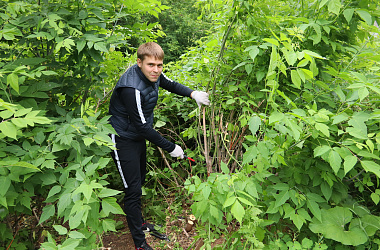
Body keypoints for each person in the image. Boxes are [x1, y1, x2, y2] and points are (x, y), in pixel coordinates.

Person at [108, 42, 210, 250]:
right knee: (133, 190)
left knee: (140, 179)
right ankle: (139, 243)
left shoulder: (154, 76)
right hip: (122, 138)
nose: (156, 70)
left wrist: (193, 94)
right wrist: (171, 147)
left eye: (160, 65)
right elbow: (143, 127)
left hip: (136, 136)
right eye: (151, 65)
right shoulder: (131, 88)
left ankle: (141, 223)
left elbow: (170, 84)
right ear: (139, 63)